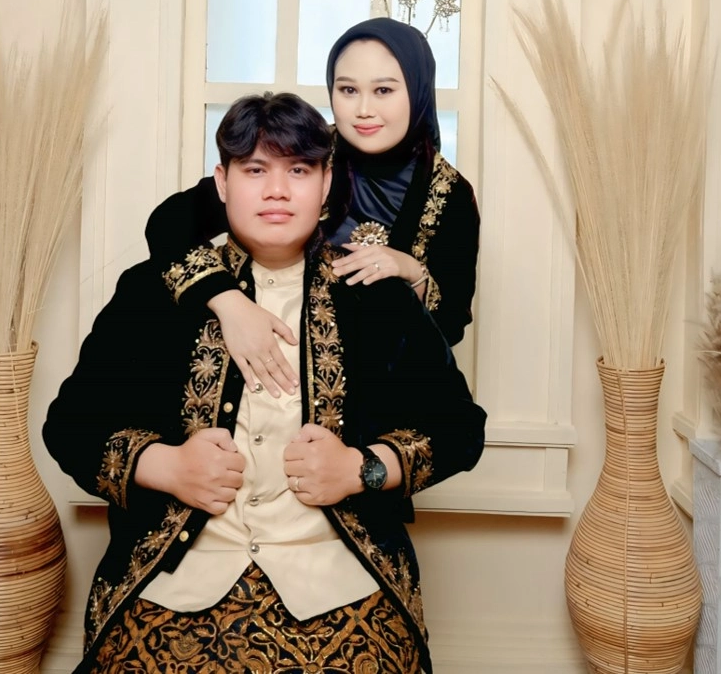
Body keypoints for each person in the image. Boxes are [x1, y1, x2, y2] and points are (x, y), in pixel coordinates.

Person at [44, 91, 486, 674]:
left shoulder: (377, 297)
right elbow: (69, 426)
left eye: (298, 171)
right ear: (222, 183)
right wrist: (167, 466)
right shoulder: (153, 290)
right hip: (173, 579)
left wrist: (361, 469)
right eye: (255, 170)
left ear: (326, 184)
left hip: (341, 576)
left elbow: (459, 429)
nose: (277, 190)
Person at [146, 17, 481, 398]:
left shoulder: (449, 194)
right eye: (348, 89)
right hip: (251, 367)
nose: (364, 109)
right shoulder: (303, 156)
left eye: (384, 90)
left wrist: (412, 271)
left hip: (373, 397)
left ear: (418, 90)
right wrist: (230, 303)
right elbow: (168, 224)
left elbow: (450, 329)